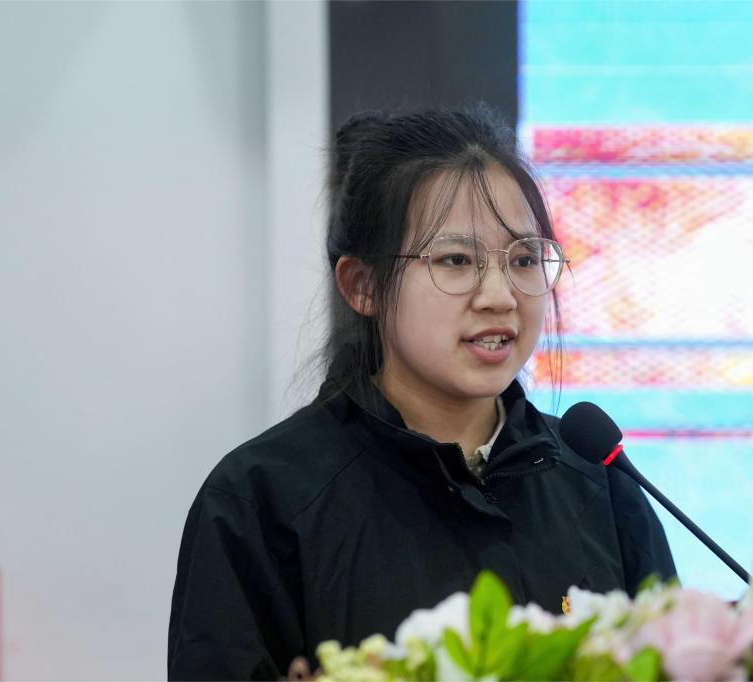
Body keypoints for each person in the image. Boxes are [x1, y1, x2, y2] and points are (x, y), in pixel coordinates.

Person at [167, 105, 675, 680]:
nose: (500, 296)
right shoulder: (262, 501)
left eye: (524, 259)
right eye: (456, 260)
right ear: (363, 286)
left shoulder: (601, 481)